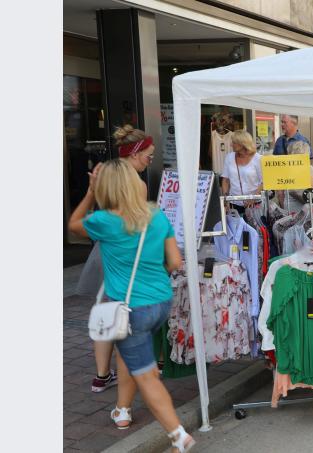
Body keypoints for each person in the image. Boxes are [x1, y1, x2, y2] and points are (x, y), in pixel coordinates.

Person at [68, 159, 195, 451]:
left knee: (147, 376)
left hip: (130, 308)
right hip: (160, 302)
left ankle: (177, 434)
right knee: (136, 361)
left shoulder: (104, 221)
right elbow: (175, 262)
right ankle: (122, 411)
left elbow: (73, 225)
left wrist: (89, 192)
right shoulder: (156, 215)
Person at [86, 124, 156, 394]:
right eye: (148, 156)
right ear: (135, 154)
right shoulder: (136, 184)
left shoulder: (105, 174)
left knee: (105, 310)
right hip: (128, 253)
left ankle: (101, 376)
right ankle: (132, 377)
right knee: (128, 316)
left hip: (105, 249)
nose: (149, 161)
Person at [221, 130, 263, 215]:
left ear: (242, 143)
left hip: (255, 204)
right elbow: (225, 180)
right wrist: (226, 199)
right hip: (234, 203)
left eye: (233, 142)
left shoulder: (258, 158)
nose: (231, 145)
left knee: (254, 228)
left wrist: (253, 198)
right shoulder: (229, 157)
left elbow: (264, 182)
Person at [280, 141, 313, 214]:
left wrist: (283, 207)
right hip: (305, 207)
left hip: (289, 206)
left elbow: (280, 194)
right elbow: (312, 189)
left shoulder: (285, 168)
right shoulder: (308, 168)